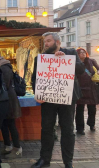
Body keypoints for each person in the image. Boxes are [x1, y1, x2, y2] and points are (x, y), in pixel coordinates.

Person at [31, 32, 85, 168]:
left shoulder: (71, 52)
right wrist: (38, 93)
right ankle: (44, 160)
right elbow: (34, 79)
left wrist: (66, 58)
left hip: (67, 98)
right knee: (46, 129)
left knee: (67, 130)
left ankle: (68, 162)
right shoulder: (41, 58)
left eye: (48, 41)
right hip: (48, 100)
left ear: (58, 42)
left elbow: (81, 70)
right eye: (45, 42)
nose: (46, 44)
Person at [0, 51, 22, 158]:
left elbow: (4, 85)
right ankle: (8, 146)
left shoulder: (4, 67)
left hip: (9, 100)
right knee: (3, 123)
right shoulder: (1, 66)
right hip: (5, 98)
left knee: (11, 124)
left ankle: (17, 148)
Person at [75, 48, 99, 135]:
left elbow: (98, 69)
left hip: (91, 88)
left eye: (84, 52)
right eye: (80, 52)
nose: (82, 53)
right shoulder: (76, 63)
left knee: (92, 108)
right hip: (80, 88)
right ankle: (80, 128)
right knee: (80, 109)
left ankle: (91, 124)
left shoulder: (91, 61)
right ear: (77, 55)